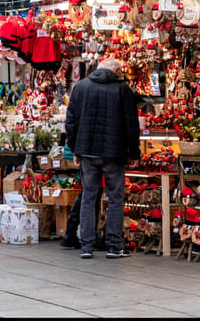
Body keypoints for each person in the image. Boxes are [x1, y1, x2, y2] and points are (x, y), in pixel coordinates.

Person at [65, 58, 140, 259]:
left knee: (89, 197)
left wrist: (75, 150)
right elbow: (131, 124)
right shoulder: (123, 89)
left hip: (87, 151)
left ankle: (86, 246)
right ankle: (114, 246)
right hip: (114, 153)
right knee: (115, 198)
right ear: (115, 70)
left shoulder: (81, 88)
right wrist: (134, 153)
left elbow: (70, 121)